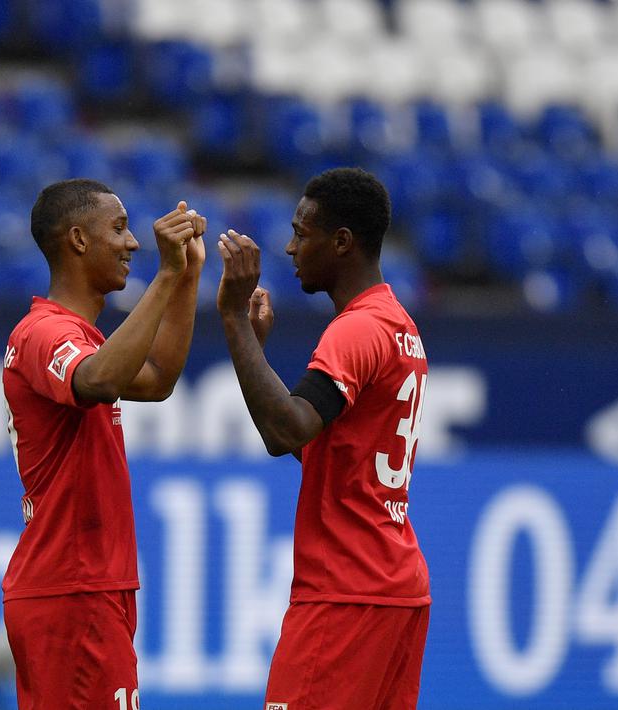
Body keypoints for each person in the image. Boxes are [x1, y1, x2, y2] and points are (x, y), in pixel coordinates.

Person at [215, 167, 431, 710]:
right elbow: (309, 443)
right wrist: (252, 350)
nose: (290, 248)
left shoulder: (356, 329)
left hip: (346, 592)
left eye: (301, 233)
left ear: (341, 242)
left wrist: (234, 320)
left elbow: (287, 427)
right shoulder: (398, 326)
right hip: (395, 590)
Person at [1, 178, 206, 710]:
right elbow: (96, 383)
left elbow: (158, 378)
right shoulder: (42, 333)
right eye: (118, 228)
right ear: (78, 239)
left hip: (93, 585)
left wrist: (185, 276)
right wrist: (164, 274)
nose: (133, 242)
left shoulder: (84, 337)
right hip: (70, 587)